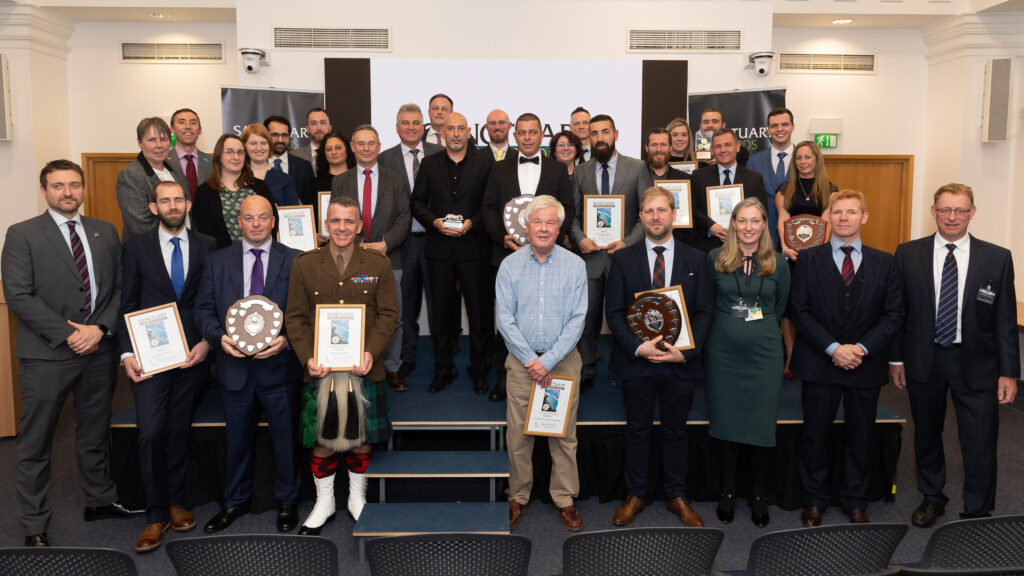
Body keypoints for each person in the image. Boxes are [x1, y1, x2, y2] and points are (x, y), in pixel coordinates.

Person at [2, 159, 142, 547]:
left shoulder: (104, 230)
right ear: (43, 190)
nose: (68, 192)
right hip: (47, 355)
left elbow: (119, 288)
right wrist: (69, 334)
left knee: (95, 431)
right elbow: (17, 294)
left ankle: (99, 499)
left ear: (83, 189)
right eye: (58, 186)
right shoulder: (22, 234)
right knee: (36, 440)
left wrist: (99, 329)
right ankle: (33, 523)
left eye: (74, 185)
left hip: (98, 349)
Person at [889, 183, 1019, 527]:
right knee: (927, 433)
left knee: (979, 438)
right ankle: (932, 498)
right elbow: (898, 312)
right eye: (945, 209)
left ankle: (978, 509)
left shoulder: (997, 257)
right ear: (933, 211)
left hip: (977, 362)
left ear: (972, 213)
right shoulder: (907, 253)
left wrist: (1009, 373)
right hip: (924, 359)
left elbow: (1005, 320)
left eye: (960, 210)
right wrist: (896, 359)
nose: (952, 217)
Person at [789, 189, 903, 527]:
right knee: (815, 435)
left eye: (851, 212)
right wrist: (833, 348)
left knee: (861, 435)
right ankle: (814, 500)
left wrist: (862, 349)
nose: (843, 218)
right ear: (828, 218)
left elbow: (894, 314)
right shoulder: (808, 259)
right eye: (837, 212)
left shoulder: (886, 262)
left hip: (865, 364)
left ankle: (856, 500)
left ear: (864, 217)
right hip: (819, 361)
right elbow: (799, 310)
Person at [285, 195, 400, 532]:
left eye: (349, 221)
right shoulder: (304, 264)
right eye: (335, 221)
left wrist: (371, 353)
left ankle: (356, 496)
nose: (342, 227)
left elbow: (389, 315)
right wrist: (308, 357)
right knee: (322, 441)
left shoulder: (378, 264)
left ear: (360, 226)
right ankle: (325, 501)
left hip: (362, 366)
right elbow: (295, 318)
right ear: (325, 224)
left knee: (362, 437)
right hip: (320, 368)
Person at [194, 195, 303, 534]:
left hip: (280, 367)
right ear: (238, 222)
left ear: (274, 221)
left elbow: (305, 314)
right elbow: (202, 310)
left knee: (285, 440)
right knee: (237, 440)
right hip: (234, 368)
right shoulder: (216, 262)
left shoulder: (297, 261)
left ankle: (288, 501)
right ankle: (234, 502)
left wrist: (286, 339)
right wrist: (218, 337)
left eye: (262, 217)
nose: (256, 224)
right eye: (249, 218)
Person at [606, 186, 713, 528]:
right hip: (637, 362)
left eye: (662, 210)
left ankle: (676, 495)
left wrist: (685, 353)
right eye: (649, 211)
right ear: (641, 217)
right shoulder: (623, 259)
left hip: (679, 363)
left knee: (676, 431)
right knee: (637, 430)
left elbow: (704, 312)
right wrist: (639, 347)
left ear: (673, 214)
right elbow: (614, 311)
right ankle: (635, 494)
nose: (655, 217)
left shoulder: (697, 259)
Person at [118, 181, 217, 552]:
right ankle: (154, 515)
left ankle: (174, 502)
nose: (173, 205)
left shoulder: (208, 245)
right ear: (153, 207)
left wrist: (208, 343)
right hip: (150, 357)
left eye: (178, 199)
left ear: (188, 204)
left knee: (177, 429)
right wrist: (127, 354)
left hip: (193, 354)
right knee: (151, 431)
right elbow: (127, 301)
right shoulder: (136, 247)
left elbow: (214, 301)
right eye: (165, 201)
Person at [496, 196, 587, 532]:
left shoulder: (575, 266)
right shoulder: (510, 266)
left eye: (551, 223)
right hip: (522, 363)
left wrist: (547, 361)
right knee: (519, 434)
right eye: (538, 222)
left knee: (563, 435)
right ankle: (517, 495)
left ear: (559, 228)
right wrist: (532, 361)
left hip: (562, 363)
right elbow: (504, 319)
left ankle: (564, 498)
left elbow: (578, 320)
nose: (544, 228)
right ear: (526, 226)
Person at [704, 198, 789, 528]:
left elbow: (780, 308)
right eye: (743, 221)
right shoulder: (715, 259)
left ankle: (758, 494)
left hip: (765, 356)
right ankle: (727, 491)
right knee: (725, 424)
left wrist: (758, 328)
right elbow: (708, 304)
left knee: (761, 425)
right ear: (733, 225)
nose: (749, 227)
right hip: (722, 355)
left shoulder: (779, 263)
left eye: (756, 221)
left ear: (764, 225)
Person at [482, 113, 575, 401]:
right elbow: (488, 208)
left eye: (532, 132)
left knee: (546, 317)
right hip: (509, 255)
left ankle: (549, 372)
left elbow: (569, 209)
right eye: (521, 132)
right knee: (508, 319)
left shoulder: (558, 170)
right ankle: (503, 378)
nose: (526, 137)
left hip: (549, 257)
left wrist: (547, 241)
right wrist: (503, 238)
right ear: (514, 134)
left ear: (541, 135)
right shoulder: (499, 169)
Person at [411, 112, 494, 394]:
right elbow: (417, 202)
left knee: (480, 314)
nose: (456, 133)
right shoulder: (429, 163)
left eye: (461, 128)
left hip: (475, 249)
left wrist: (472, 223)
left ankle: (480, 369)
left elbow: (490, 204)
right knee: (441, 315)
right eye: (451, 129)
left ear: (469, 131)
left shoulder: (485, 163)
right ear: (441, 132)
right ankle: (443, 368)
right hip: (439, 250)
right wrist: (434, 221)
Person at [569, 114, 653, 391]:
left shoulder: (638, 167)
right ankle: (586, 370)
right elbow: (572, 215)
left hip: (626, 257)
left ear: (616, 134)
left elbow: (647, 214)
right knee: (587, 319)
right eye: (594, 133)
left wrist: (628, 243)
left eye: (605, 132)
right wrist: (579, 238)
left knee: (629, 317)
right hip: (591, 258)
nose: (599, 138)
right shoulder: (580, 171)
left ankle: (630, 365)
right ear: (588, 138)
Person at [332, 124, 411, 392]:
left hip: (389, 258)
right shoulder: (340, 181)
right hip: (351, 260)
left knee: (392, 316)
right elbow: (337, 219)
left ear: (379, 146)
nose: (366, 148)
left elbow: (404, 216)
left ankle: (392, 368)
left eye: (371, 143)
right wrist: (355, 243)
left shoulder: (396, 179)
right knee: (357, 314)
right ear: (352, 147)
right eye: (360, 143)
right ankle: (357, 364)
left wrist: (386, 242)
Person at [378, 104, 447, 379]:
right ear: (396, 128)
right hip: (401, 244)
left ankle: (443, 356)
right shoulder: (385, 159)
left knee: (438, 301)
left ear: (424, 126)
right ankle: (406, 355)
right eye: (405, 123)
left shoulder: (439, 154)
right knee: (404, 304)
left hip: (436, 241)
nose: (410, 127)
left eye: (416, 122)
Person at [775, 140, 838, 378]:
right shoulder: (785, 188)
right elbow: (782, 218)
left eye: (807, 157)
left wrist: (818, 252)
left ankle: (814, 355)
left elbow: (827, 221)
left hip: (818, 258)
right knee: (790, 309)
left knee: (814, 307)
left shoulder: (830, 189)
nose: (803, 162)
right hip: (791, 257)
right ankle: (790, 357)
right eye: (799, 158)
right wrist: (784, 247)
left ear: (816, 159)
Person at [684, 129, 767, 253]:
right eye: (718, 146)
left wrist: (742, 228)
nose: (723, 150)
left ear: (738, 147)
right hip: (708, 246)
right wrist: (710, 226)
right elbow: (692, 209)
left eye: (728, 145)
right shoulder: (698, 176)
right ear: (712, 150)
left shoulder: (754, 179)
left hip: (744, 246)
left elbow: (762, 212)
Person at [191, 133, 278, 249]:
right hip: (222, 260)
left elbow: (273, 222)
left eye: (240, 152)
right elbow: (206, 234)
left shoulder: (260, 187)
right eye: (229, 151)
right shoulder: (204, 193)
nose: (236, 157)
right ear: (219, 156)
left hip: (261, 255)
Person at [116, 117, 189, 240]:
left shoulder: (175, 169)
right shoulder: (130, 175)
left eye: (164, 139)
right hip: (149, 250)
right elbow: (140, 225)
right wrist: (175, 240)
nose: (159, 145)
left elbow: (187, 212)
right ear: (139, 142)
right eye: (152, 140)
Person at [747, 108, 795, 249]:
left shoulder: (805, 159)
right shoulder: (753, 162)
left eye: (785, 124)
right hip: (764, 237)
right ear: (768, 129)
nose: (779, 129)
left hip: (798, 235)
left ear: (793, 127)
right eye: (774, 126)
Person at [242, 123, 301, 207]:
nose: (259, 148)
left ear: (269, 145)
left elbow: (293, 215)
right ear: (244, 146)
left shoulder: (285, 179)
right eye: (253, 143)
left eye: (263, 143)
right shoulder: (238, 177)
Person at [308, 132, 355, 225]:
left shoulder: (358, 180)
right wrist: (315, 234)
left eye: (338, 148)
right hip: (323, 238)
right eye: (328, 149)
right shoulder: (315, 184)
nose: (333, 152)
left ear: (347, 150)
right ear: (324, 153)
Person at [166, 108, 213, 199]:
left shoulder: (212, 162)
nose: (188, 126)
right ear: (172, 129)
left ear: (200, 130)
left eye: (193, 123)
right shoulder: (163, 161)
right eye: (181, 122)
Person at [265, 115, 314, 197]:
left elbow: (310, 200)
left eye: (284, 135)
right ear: (266, 136)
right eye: (275, 135)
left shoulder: (304, 167)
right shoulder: (255, 166)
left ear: (290, 137)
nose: (280, 140)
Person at [291, 107, 332, 171]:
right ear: (307, 129)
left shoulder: (339, 155)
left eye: (323, 123)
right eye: (313, 123)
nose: (319, 128)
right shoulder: (294, 156)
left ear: (330, 128)